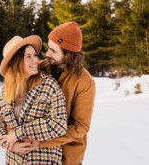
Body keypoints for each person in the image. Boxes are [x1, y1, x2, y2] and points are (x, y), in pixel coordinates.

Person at [12, 22, 96, 165]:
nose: (47, 53)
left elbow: (80, 126)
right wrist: (13, 140)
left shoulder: (84, 82)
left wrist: (42, 142)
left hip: (67, 157)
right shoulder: (39, 68)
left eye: (53, 50)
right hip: (36, 156)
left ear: (69, 55)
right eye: (48, 47)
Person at [0, 35, 68, 164]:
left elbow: (59, 125)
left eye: (35, 55)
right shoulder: (6, 91)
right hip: (13, 160)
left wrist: (18, 133)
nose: (36, 61)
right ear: (15, 62)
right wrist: (10, 144)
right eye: (28, 56)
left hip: (43, 160)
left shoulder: (49, 85)